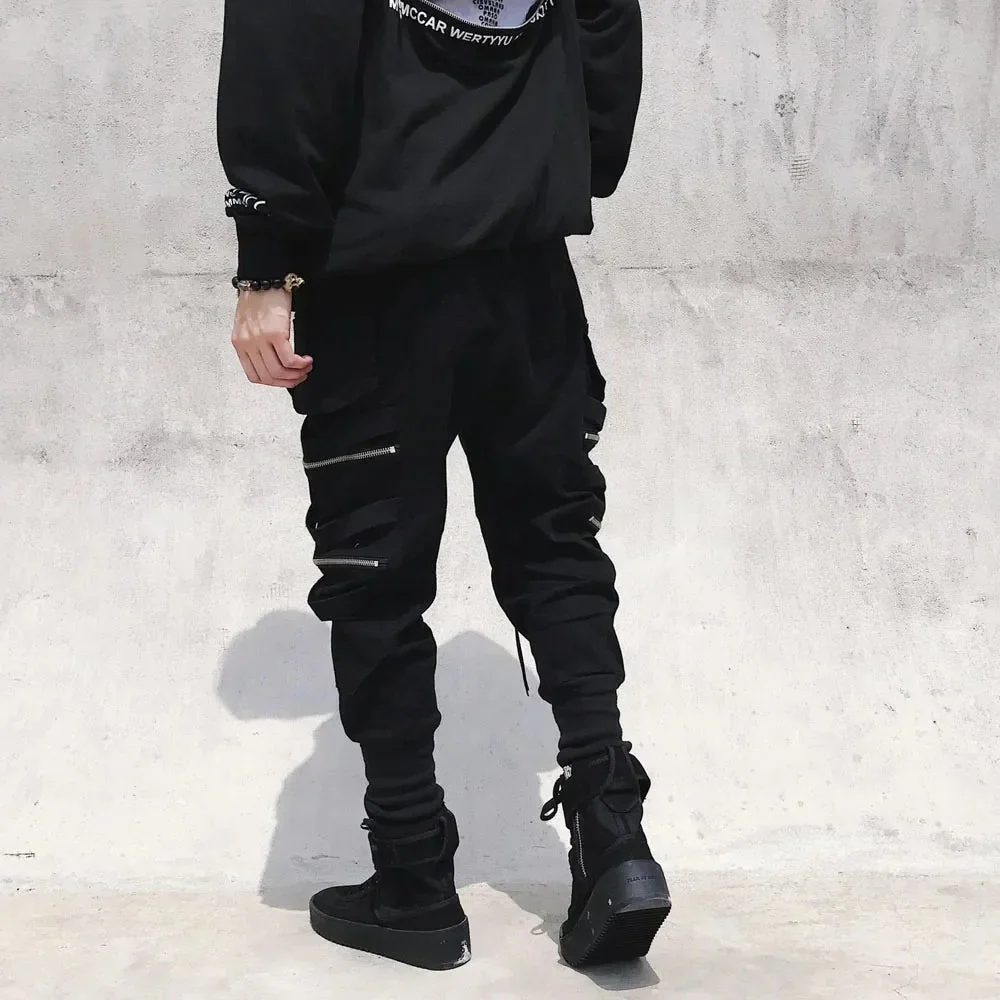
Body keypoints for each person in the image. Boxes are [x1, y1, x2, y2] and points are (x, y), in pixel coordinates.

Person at [216, 0, 670, 972]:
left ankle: (413, 877)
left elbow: (285, 35)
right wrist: (565, 148)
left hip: (378, 275)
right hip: (527, 271)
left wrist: (266, 262)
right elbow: (603, 18)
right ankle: (614, 835)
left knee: (374, 568)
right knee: (554, 537)